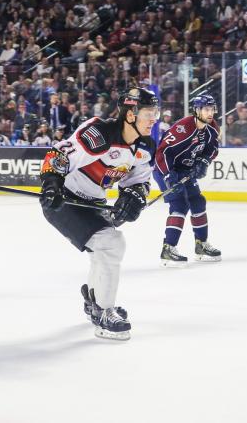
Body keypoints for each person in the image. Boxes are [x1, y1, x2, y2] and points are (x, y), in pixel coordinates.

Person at [39, 87, 159, 341]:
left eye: (155, 112)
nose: (154, 119)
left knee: (105, 250)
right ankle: (104, 312)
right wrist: (51, 186)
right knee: (111, 244)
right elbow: (59, 155)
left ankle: (96, 302)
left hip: (93, 204)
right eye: (148, 113)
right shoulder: (99, 133)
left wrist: (134, 199)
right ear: (130, 115)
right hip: (66, 201)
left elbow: (139, 182)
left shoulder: (145, 146)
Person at [154, 94, 221, 268]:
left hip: (185, 171)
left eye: (212, 109)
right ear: (197, 110)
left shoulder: (212, 128)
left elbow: (213, 148)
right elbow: (162, 152)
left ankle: (201, 245)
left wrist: (204, 161)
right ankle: (168, 248)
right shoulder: (184, 127)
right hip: (166, 170)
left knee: (198, 202)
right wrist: (168, 176)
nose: (210, 113)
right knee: (179, 205)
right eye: (206, 109)